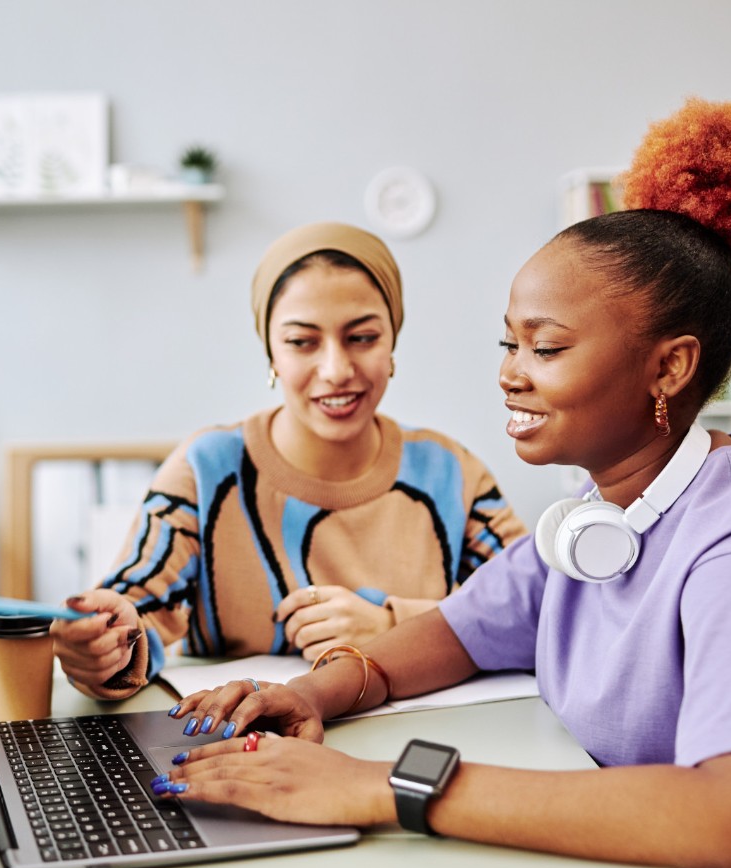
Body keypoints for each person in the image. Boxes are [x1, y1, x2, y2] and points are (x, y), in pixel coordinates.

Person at [154, 98, 731, 868]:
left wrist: (382, 785)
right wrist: (307, 694)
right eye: (509, 342)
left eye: (546, 347)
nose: (511, 372)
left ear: (670, 368)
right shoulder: (598, 513)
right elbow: (454, 634)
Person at [52, 222, 526, 701]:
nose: (337, 370)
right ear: (271, 353)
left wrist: (392, 626)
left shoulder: (450, 473)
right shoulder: (208, 469)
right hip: (236, 751)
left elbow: (544, 617)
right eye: (303, 342)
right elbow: (134, 615)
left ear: (392, 343)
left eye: (362, 337)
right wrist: (102, 648)